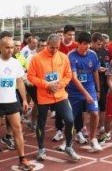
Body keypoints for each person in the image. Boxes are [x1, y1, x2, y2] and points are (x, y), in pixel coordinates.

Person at [27, 34, 80, 162]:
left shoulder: (63, 57)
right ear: (47, 45)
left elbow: (68, 75)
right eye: (52, 48)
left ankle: (68, 147)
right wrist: (46, 85)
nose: (55, 50)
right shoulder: (37, 58)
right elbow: (30, 76)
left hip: (60, 95)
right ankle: (41, 149)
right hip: (44, 97)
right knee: (41, 123)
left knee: (69, 120)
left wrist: (59, 85)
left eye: (57, 47)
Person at [0, 37, 33, 170]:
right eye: (7, 47)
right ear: (0, 48)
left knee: (18, 130)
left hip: (12, 101)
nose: (10, 50)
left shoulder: (16, 63)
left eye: (12, 47)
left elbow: (19, 81)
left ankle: (22, 159)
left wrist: (24, 99)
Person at [66, 32, 102, 151]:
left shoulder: (93, 54)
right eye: (85, 44)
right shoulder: (71, 56)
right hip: (74, 91)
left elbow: (95, 72)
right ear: (79, 44)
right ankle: (67, 141)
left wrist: (98, 89)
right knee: (70, 117)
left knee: (95, 113)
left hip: (90, 87)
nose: (87, 46)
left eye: (89, 44)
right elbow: (74, 78)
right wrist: (85, 94)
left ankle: (92, 139)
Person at [52, 24, 79, 142]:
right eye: (69, 35)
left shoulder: (77, 46)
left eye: (73, 35)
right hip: (61, 82)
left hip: (74, 81)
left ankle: (79, 130)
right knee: (59, 107)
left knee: (75, 106)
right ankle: (59, 130)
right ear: (63, 35)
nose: (71, 37)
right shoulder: (58, 46)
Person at [90, 32, 110, 135]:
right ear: (92, 42)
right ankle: (84, 128)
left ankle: (101, 126)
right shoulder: (87, 52)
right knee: (88, 107)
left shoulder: (104, 52)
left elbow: (106, 65)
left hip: (102, 82)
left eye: (101, 44)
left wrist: (105, 69)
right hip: (89, 83)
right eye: (98, 44)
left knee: (102, 104)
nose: (100, 46)